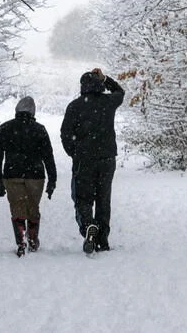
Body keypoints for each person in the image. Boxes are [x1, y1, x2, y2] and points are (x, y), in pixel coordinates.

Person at [60, 68, 125, 254]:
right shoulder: (108, 102)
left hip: (84, 160)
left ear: (82, 86)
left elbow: (65, 134)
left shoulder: (74, 106)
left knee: (82, 197)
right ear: (99, 85)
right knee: (103, 199)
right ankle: (102, 240)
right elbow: (120, 93)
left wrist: (74, 152)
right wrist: (106, 79)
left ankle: (89, 225)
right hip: (107, 159)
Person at [0, 96, 57, 257]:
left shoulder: (5, 128)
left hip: (12, 174)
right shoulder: (39, 129)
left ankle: (21, 241)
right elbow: (48, 156)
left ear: (17, 110)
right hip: (35, 175)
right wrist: (52, 180)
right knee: (33, 207)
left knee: (17, 208)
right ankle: (33, 240)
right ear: (32, 111)